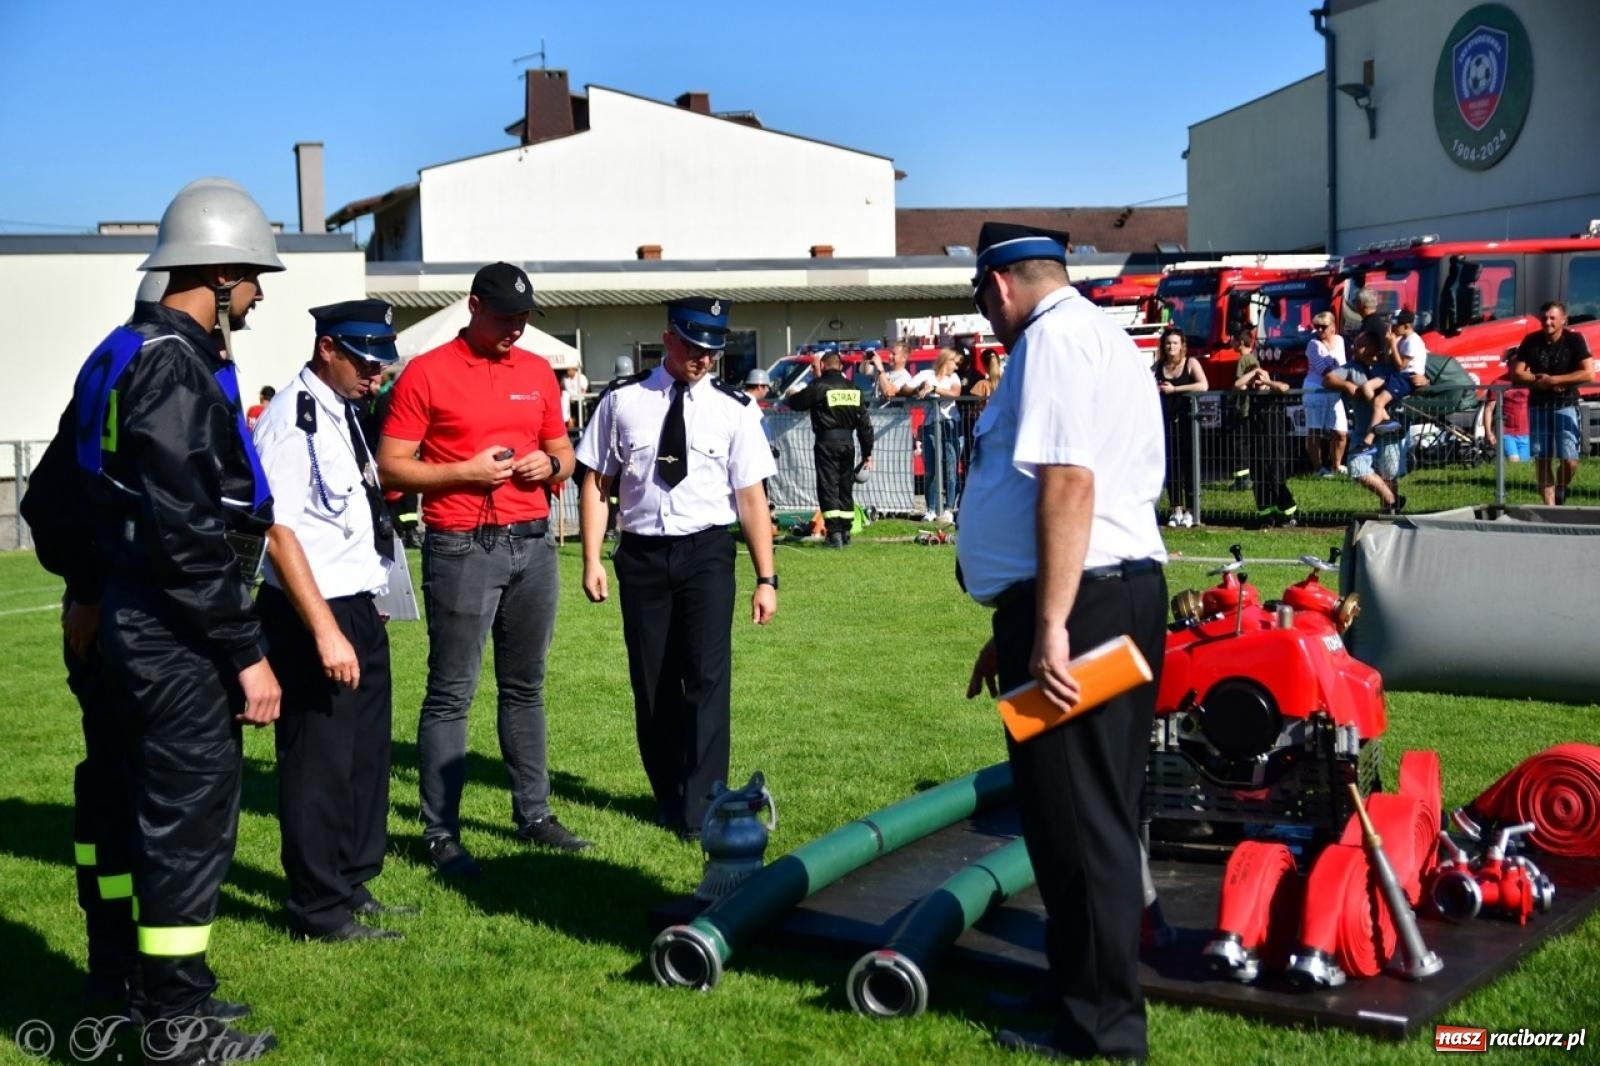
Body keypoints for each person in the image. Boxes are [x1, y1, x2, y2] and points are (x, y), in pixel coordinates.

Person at [23, 177, 285, 1061]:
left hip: (121, 622)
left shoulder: (116, 353)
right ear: (212, 274)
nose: (257, 292)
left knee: (116, 804)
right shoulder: (174, 366)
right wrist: (247, 652)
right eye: (250, 275)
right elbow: (186, 531)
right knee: (186, 822)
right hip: (177, 634)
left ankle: (117, 985)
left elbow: (53, 495)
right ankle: (178, 1025)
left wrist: (87, 588)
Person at [957, 222, 1167, 1062]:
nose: (985, 318)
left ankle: (1103, 1027)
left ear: (999, 286)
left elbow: (1070, 483)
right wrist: (1017, 619)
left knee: (1082, 819)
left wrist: (1046, 623)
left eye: (981, 302)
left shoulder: (1051, 342)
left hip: (1083, 608)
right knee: (1065, 815)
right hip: (1087, 601)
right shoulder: (1091, 334)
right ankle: (1075, 986)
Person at [377, 261, 589, 879]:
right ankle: (441, 832)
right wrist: (463, 474)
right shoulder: (427, 372)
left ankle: (535, 814)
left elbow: (564, 454)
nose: (515, 330)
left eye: (523, 318)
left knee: (526, 687)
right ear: (473, 305)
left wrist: (546, 470)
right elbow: (392, 467)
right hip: (462, 544)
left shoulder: (535, 373)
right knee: (451, 693)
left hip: (533, 542)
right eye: (504, 317)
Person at [574, 297, 778, 842]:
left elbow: (752, 498)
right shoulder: (621, 402)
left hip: (707, 554)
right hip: (641, 556)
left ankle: (702, 803)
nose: (704, 358)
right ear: (668, 338)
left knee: (708, 679)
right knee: (653, 681)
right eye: (693, 345)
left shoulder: (735, 409)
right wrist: (592, 558)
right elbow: (597, 483)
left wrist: (766, 577)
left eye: (713, 349)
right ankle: (669, 794)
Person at [253, 300, 416, 942]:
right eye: (366, 361)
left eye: (382, 361)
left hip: (358, 602)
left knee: (364, 758)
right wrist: (324, 629)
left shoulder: (343, 413)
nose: (377, 374)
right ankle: (318, 907)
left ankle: (351, 880)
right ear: (328, 349)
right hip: (312, 609)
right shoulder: (292, 424)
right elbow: (280, 531)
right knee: (318, 762)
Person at [786, 350, 874, 547]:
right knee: (845, 486)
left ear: (823, 366)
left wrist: (790, 395)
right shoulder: (853, 389)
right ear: (841, 366)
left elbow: (798, 403)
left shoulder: (820, 386)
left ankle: (834, 534)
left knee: (828, 486)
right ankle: (845, 532)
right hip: (848, 443)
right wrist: (867, 452)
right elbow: (865, 425)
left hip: (826, 442)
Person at [1509, 301, 1593, 505]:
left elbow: (1588, 373)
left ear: (1563, 319)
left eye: (1552, 318)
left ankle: (1562, 487)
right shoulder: (1530, 340)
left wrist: (1556, 380)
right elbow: (1517, 373)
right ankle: (1550, 509)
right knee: (1542, 458)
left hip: (1566, 405)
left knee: (1570, 460)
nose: (1547, 322)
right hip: (1538, 405)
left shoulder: (1574, 340)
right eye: (1544, 318)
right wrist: (1541, 381)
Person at [1329, 331, 1406, 514]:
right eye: (1355, 344)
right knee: (1356, 468)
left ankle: (1390, 513)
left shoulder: (1387, 367)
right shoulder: (1351, 368)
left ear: (1373, 348)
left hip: (1388, 432)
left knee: (1389, 474)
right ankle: (1392, 500)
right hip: (1362, 432)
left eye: (1361, 344)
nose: (1355, 348)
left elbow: (1409, 373)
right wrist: (1347, 385)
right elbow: (1328, 379)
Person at [1232, 328, 1299, 527]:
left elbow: (1285, 387)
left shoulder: (1272, 391)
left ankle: (1290, 513)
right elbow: (1238, 384)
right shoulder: (1251, 395)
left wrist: (1267, 380)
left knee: (1276, 478)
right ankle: (1266, 516)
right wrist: (1253, 372)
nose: (1256, 381)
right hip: (1257, 443)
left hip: (1274, 443)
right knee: (1259, 480)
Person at [1153, 327, 1207, 527]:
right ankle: (1176, 509)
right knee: (1171, 465)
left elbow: (1203, 385)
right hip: (1166, 422)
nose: (1171, 346)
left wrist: (1175, 389)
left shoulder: (1191, 363)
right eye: (1168, 343)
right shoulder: (1158, 367)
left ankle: (1192, 510)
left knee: (1189, 465)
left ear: (1182, 345)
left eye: (1175, 343)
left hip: (1188, 420)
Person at [909, 347, 963, 523]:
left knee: (950, 467)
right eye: (955, 362)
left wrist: (934, 389)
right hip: (930, 424)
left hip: (949, 423)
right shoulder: (927, 375)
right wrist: (920, 389)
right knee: (931, 468)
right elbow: (910, 389)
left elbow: (955, 393)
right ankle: (931, 509)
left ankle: (948, 508)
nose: (956, 367)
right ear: (946, 361)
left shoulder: (953, 378)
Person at [1302, 312, 1349, 478]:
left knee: (1341, 432)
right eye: (1317, 327)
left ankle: (1337, 466)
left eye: (1324, 326)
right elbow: (1325, 371)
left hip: (1335, 390)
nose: (1320, 330)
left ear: (1333, 327)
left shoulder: (1340, 341)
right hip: (1316, 390)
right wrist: (1348, 382)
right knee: (1315, 430)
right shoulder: (1313, 345)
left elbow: (1343, 365)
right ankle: (1318, 469)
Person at [1481, 349, 1531, 463]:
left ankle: (1508, 481)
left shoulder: (1529, 382)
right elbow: (1489, 409)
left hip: (1526, 433)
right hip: (1506, 432)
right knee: (1514, 461)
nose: (1518, 366)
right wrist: (1488, 432)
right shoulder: (1498, 383)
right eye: (1514, 363)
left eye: (1521, 363)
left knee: (1524, 466)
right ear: (1509, 364)